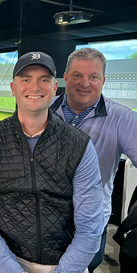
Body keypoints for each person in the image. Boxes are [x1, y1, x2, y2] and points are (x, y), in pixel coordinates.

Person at [0, 51, 104, 273]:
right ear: (13, 88)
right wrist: (12, 269)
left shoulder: (80, 145)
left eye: (44, 80)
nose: (35, 87)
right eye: (26, 79)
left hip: (61, 259)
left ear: (54, 88)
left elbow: (90, 228)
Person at [49, 47, 137, 272]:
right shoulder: (42, 110)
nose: (84, 83)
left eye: (93, 77)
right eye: (77, 75)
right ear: (65, 77)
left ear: (103, 80)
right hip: (43, 218)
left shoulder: (123, 118)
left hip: (89, 224)